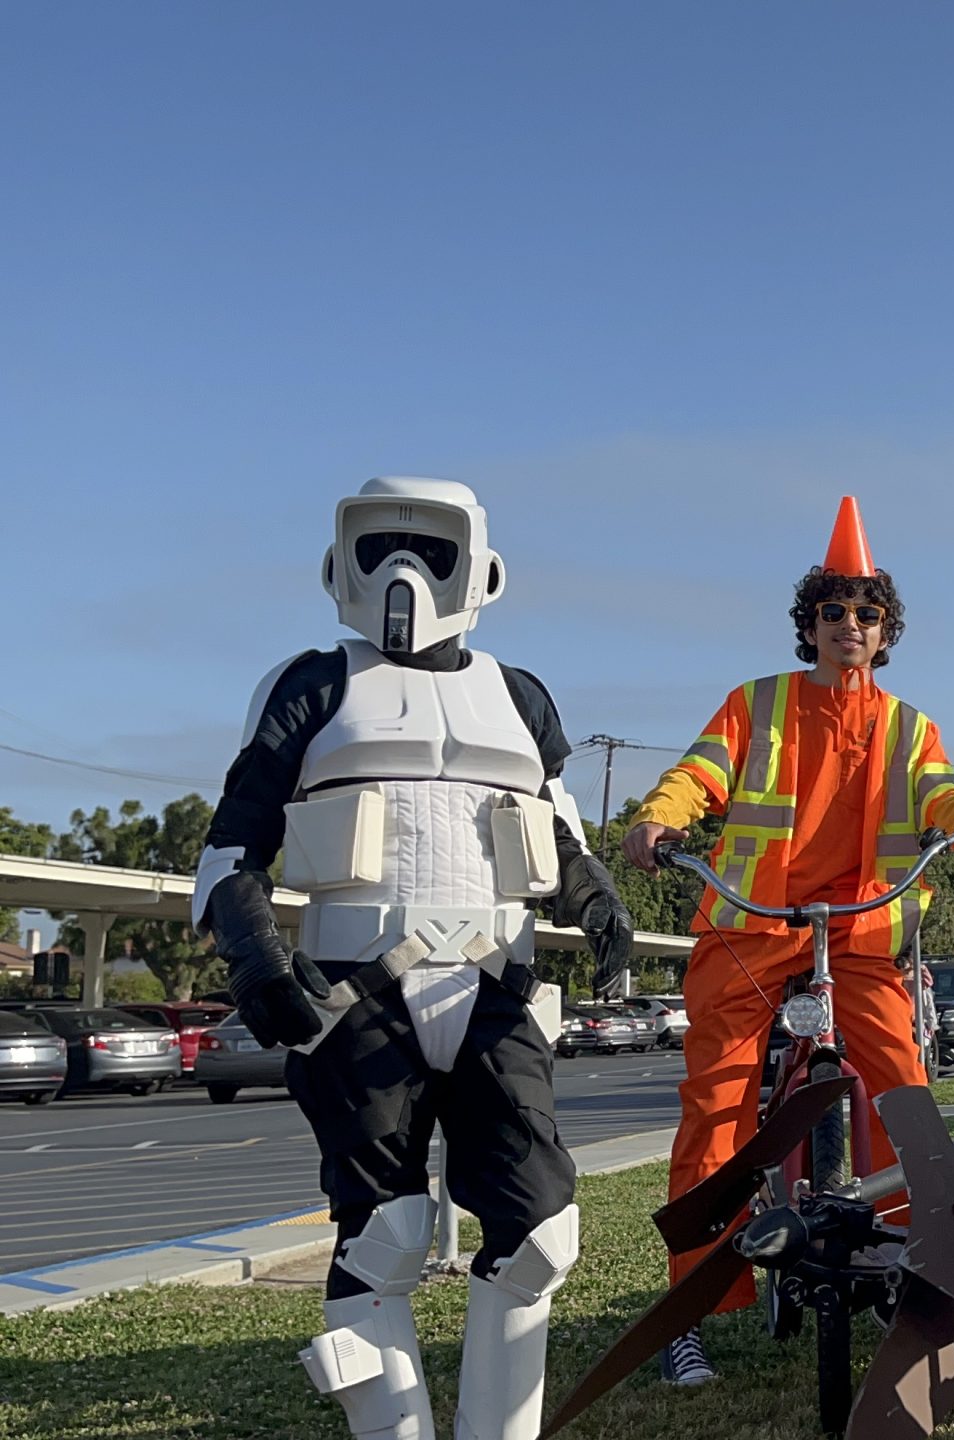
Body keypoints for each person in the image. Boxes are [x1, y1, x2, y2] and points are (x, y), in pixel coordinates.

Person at [193, 477, 633, 1440]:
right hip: (356, 996)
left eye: (427, 547)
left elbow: (560, 834)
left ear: (480, 567)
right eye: (378, 544)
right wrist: (257, 960)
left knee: (539, 1238)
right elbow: (231, 849)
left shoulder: (520, 697)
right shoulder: (311, 685)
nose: (402, 571)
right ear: (336, 561)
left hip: (496, 988)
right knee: (381, 1237)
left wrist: (600, 903)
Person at [621, 498, 954, 1382]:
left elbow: (942, 794)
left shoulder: (910, 726)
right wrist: (657, 817)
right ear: (809, 625)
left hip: (864, 934)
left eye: (866, 614)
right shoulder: (754, 705)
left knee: (905, 1098)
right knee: (716, 1106)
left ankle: (920, 1286)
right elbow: (698, 776)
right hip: (751, 929)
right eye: (832, 612)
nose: (849, 626)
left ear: (885, 632)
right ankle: (688, 1307)